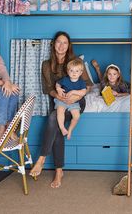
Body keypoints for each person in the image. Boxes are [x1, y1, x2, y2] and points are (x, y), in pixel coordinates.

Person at [30, 31, 92, 188]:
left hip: (76, 102)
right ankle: (59, 171)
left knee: (53, 120)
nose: (61, 45)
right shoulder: (46, 64)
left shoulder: (75, 62)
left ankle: (42, 159)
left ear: (68, 45)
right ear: (53, 44)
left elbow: (88, 85)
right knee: (56, 123)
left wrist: (77, 96)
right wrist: (57, 93)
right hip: (58, 101)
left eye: (65, 42)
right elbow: (47, 88)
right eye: (58, 42)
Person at [55, 58, 86, 140]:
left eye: (77, 71)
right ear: (68, 71)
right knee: (60, 111)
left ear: (81, 72)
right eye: (71, 71)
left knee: (76, 116)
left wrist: (73, 92)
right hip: (62, 100)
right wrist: (58, 89)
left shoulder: (81, 82)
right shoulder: (65, 79)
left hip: (74, 102)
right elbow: (57, 84)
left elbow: (83, 92)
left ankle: (70, 130)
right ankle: (62, 128)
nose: (74, 73)